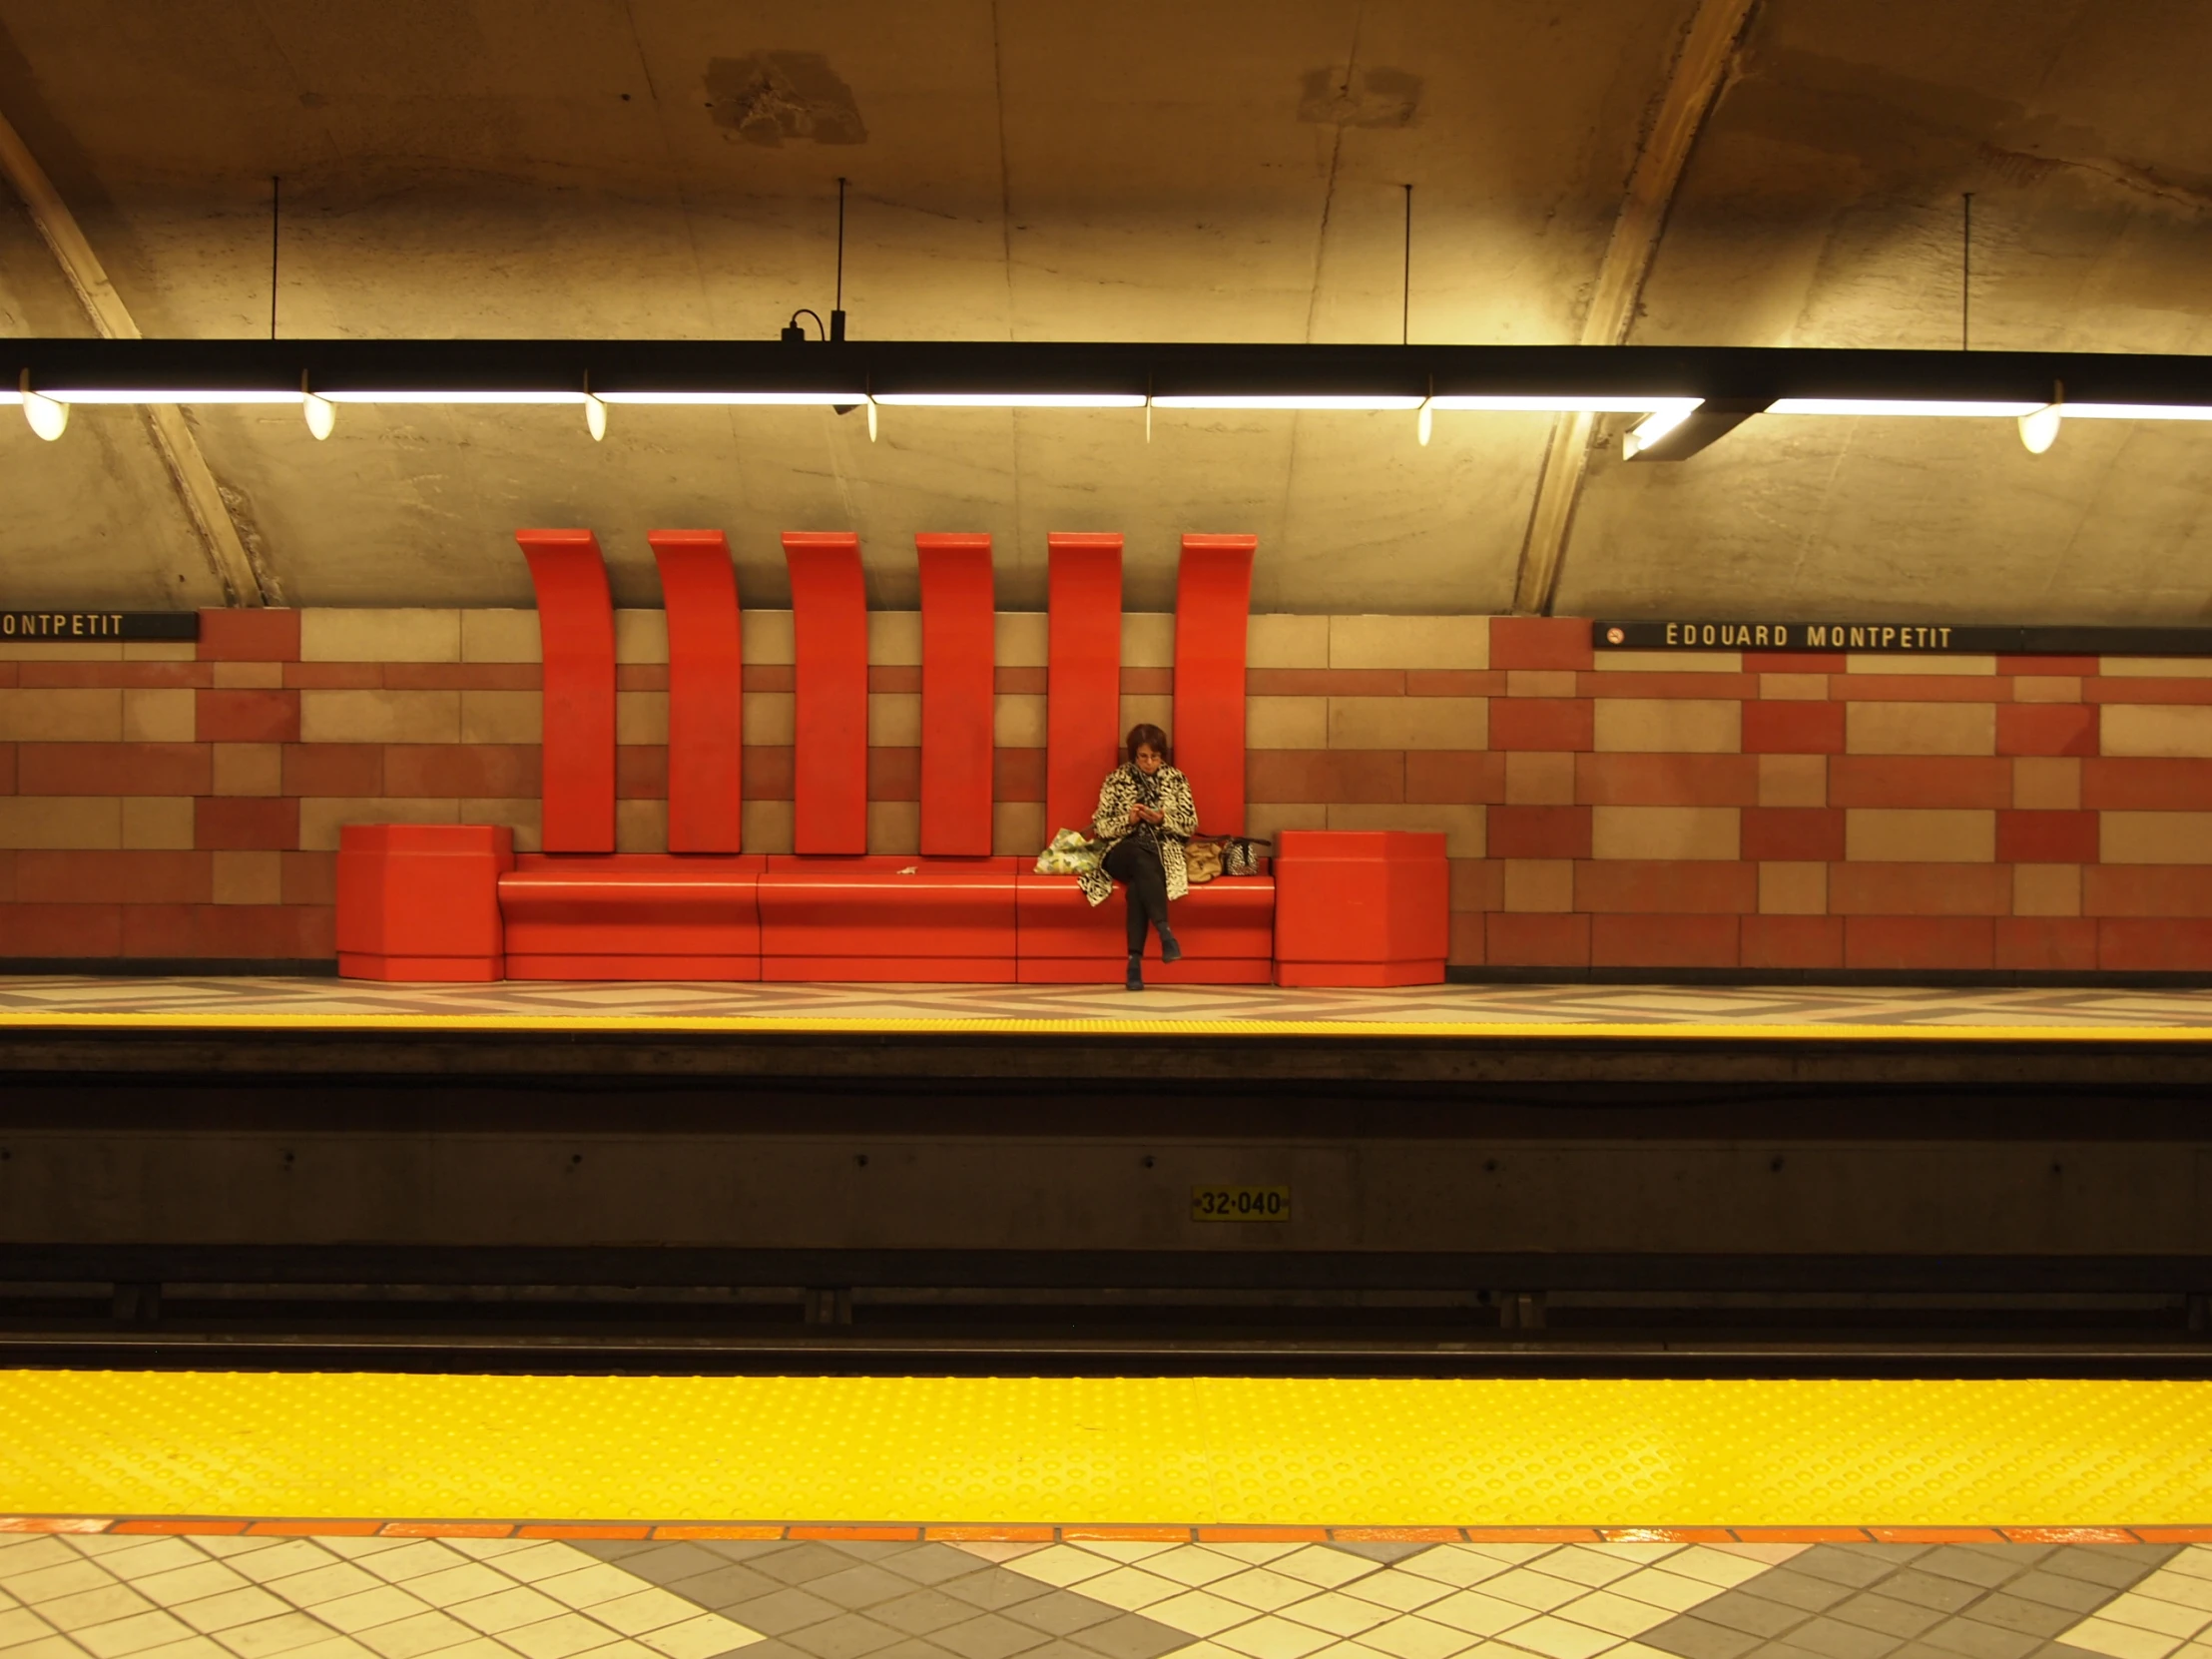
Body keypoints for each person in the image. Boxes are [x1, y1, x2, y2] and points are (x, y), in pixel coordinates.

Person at [1081, 723, 1198, 991]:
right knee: (1137, 857)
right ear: (1134, 754)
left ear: (1162, 756)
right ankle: (1165, 932)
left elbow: (1190, 824)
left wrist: (1162, 819)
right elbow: (1101, 827)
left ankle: (1134, 964)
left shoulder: (1177, 779)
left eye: (1154, 757)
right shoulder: (1116, 779)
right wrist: (1129, 819)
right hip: (1121, 849)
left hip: (1161, 850)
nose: (1149, 762)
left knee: (1138, 888)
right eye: (1143, 756)